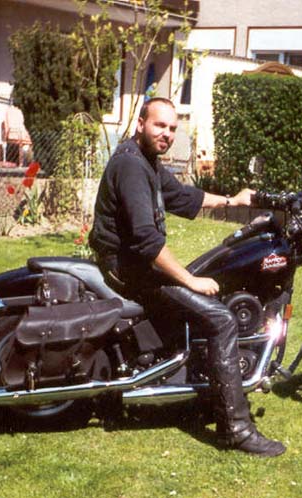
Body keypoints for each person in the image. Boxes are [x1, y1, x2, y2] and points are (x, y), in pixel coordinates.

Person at [89, 97, 286, 457]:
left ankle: (208, 386)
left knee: (208, 294)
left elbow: (181, 196)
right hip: (130, 270)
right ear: (140, 124)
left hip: (130, 263)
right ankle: (236, 429)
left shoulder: (145, 160)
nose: (166, 133)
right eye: (159, 125)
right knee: (221, 319)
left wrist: (233, 201)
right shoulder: (131, 166)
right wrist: (189, 281)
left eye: (172, 128)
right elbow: (146, 240)